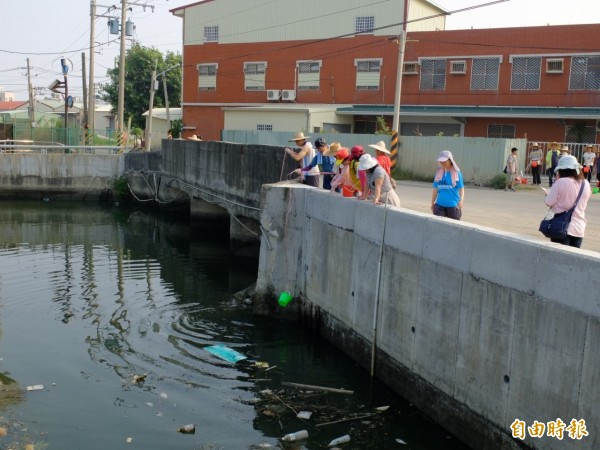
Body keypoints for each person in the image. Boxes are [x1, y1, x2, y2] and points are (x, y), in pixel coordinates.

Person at [542, 155, 591, 248]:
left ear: (562, 170)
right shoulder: (586, 183)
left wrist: (547, 195)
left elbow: (549, 202)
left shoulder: (560, 182)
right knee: (572, 260)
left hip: (560, 226)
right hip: (579, 228)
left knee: (558, 259)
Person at [431, 150, 464, 220]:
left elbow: (461, 189)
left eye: (444, 161)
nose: (442, 163)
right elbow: (435, 189)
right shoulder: (439, 173)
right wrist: (432, 203)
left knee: (453, 227)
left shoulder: (457, 174)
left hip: (453, 205)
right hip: (439, 205)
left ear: (450, 160)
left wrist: (461, 201)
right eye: (441, 161)